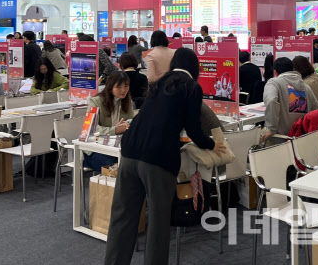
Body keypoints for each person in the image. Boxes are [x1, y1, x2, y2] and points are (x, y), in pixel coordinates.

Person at [104, 48, 226, 265]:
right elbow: (194, 129)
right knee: (158, 224)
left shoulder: (159, 83)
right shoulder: (191, 87)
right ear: (194, 67)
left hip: (130, 151)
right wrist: (212, 144)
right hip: (158, 158)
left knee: (123, 217)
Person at [85, 71, 135, 172]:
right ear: (110, 87)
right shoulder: (95, 101)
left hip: (116, 147)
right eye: (119, 87)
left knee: (136, 163)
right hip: (94, 149)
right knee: (117, 167)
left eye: (126, 86)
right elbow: (91, 128)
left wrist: (129, 126)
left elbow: (130, 122)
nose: (123, 90)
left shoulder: (127, 101)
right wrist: (115, 130)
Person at [262, 57, 318, 140]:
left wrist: (271, 128)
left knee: (256, 139)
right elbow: (316, 109)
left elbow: (271, 101)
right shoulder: (306, 87)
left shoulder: (274, 83)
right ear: (292, 69)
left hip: (281, 138)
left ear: (275, 72)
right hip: (302, 136)